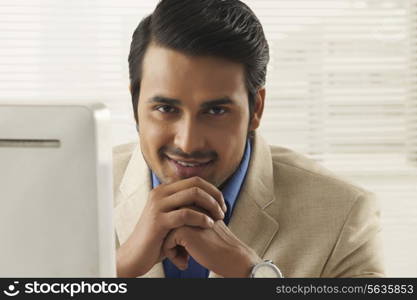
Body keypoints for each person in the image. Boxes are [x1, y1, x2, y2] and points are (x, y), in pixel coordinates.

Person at [113, 0, 385, 278]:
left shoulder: (343, 214)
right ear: (135, 105)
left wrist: (253, 275)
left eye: (216, 111)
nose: (188, 143)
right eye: (166, 109)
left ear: (256, 108)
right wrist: (115, 271)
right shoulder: (74, 190)